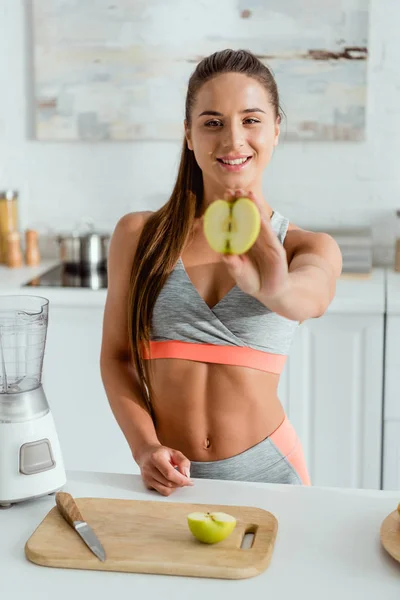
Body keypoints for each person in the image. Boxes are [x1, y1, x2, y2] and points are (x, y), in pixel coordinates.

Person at [100, 49, 342, 496]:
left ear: (276, 131)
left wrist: (275, 289)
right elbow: (117, 357)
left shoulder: (304, 246)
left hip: (272, 476)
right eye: (212, 122)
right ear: (188, 135)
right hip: (172, 478)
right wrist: (144, 447)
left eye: (251, 120)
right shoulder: (139, 236)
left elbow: (314, 296)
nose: (233, 140)